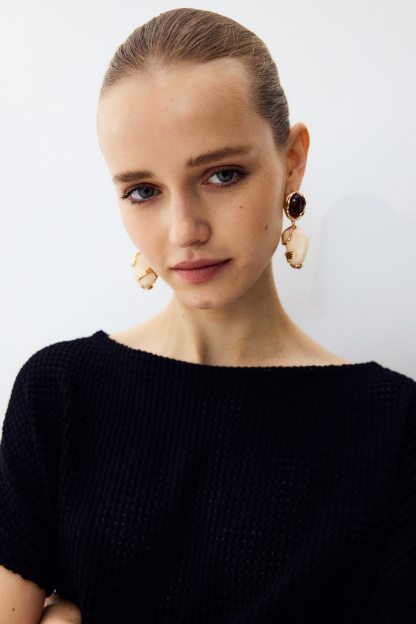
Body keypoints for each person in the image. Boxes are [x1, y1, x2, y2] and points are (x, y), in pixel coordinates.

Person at [1, 7, 415, 624]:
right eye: (143, 190)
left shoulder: (393, 430)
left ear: (293, 161)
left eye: (222, 174)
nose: (184, 230)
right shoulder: (60, 394)